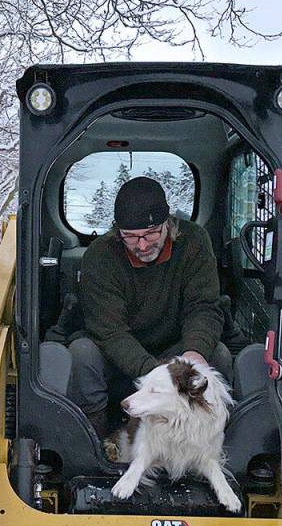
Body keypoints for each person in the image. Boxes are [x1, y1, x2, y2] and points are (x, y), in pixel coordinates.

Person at [68, 176, 232, 437]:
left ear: (168, 224)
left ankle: (204, 442)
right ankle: (95, 440)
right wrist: (156, 375)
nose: (142, 245)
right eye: (130, 237)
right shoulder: (100, 256)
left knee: (218, 356)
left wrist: (196, 350)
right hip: (118, 354)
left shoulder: (194, 242)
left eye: (150, 233)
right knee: (82, 354)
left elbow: (203, 306)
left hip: (176, 348)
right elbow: (109, 331)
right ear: (117, 231)